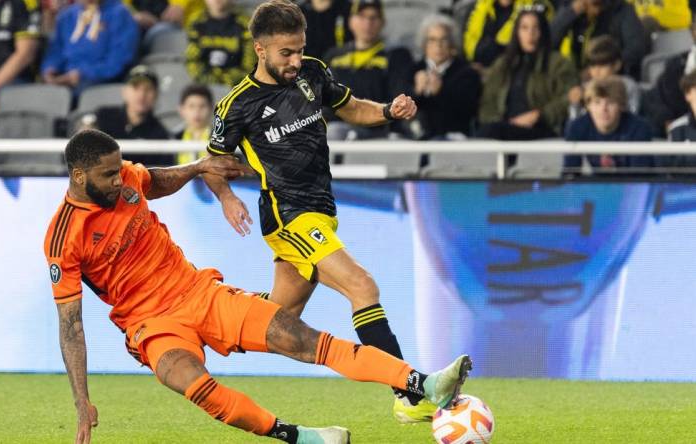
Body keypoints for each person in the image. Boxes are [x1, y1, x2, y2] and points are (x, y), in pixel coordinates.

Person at [45, 128, 472, 444]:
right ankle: (300, 437)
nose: (119, 180)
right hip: (150, 324)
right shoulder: (64, 238)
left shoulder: (128, 180)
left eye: (120, 170)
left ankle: (425, 385)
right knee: (190, 382)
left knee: (298, 337)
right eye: (108, 175)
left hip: (199, 293)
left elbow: (153, 180)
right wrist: (82, 400)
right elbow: (71, 327)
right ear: (79, 176)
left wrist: (196, 168)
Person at [202, 0, 436, 424]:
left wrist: (386, 111)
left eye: (299, 49)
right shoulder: (237, 105)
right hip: (288, 217)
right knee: (362, 287)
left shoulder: (312, 71)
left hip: (322, 210)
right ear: (260, 49)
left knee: (281, 316)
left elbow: (348, 106)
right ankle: (408, 392)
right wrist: (226, 197)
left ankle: (213, 316)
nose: (295, 61)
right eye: (285, 53)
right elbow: (212, 162)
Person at [477, 9, 577, 141]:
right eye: (524, 28)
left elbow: (570, 97)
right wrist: (502, 121)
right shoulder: (503, 64)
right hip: (504, 128)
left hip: (541, 129)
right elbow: (488, 102)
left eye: (536, 28)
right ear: (517, 32)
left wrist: (539, 115)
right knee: (489, 131)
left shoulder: (558, 63)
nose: (530, 33)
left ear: (543, 32)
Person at [323, 0, 414, 140]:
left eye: (373, 17)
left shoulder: (396, 55)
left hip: (381, 127)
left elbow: (399, 95)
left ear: (382, 22)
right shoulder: (334, 56)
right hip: (340, 126)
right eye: (362, 16)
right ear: (351, 21)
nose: (368, 23)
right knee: (332, 132)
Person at [41, 0, 139, 95]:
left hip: (102, 83)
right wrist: (49, 70)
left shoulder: (120, 14)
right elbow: (56, 52)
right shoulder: (66, 17)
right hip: (66, 80)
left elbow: (118, 61)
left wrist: (83, 74)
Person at [82, 65, 172, 166]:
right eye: (135, 88)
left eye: (148, 89)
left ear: (156, 95)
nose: (141, 94)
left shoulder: (160, 135)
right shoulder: (103, 117)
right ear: (124, 92)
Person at [411, 13, 481, 139]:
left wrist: (441, 91)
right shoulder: (412, 69)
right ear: (424, 45)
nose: (438, 45)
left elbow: (467, 111)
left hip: (452, 137)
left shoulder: (467, 73)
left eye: (444, 39)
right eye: (432, 40)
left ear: (452, 44)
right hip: (415, 137)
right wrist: (416, 92)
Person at [563, 76, 654, 175]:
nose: (603, 109)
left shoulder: (639, 128)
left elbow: (640, 178)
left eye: (610, 102)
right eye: (597, 102)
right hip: (599, 186)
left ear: (622, 105)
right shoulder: (576, 127)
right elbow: (569, 174)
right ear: (588, 106)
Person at [551, 0, 645, 79]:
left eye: (598, 5)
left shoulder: (621, 10)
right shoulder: (570, 10)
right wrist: (571, 12)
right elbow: (548, 42)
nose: (596, 11)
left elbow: (636, 48)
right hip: (571, 78)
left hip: (611, 78)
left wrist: (602, 67)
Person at [461, 0, 553, 72]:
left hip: (516, 70)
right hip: (476, 68)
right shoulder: (477, 7)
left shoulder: (535, 6)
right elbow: (468, 45)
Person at [567, 35, 641, 120]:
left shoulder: (629, 86)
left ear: (617, 65)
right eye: (593, 65)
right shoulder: (585, 88)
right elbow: (575, 123)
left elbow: (633, 116)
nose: (596, 71)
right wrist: (575, 104)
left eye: (602, 65)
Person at [185, 0, 256, 86]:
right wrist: (209, 80)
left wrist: (227, 79)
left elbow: (249, 65)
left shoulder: (246, 24)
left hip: (237, 87)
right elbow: (192, 61)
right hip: (203, 86)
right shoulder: (196, 22)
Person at [173, 83, 214, 163]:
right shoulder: (173, 138)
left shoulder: (222, 139)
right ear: (181, 109)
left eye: (202, 106)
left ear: (211, 108)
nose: (197, 112)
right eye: (191, 106)